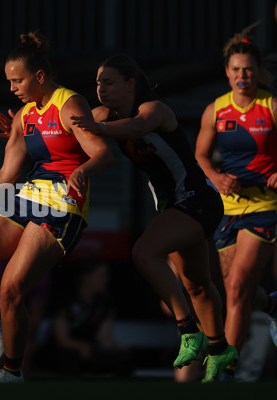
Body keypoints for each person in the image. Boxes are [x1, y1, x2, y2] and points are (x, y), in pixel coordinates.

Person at [0, 31, 114, 382]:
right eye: (9, 81)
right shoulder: (24, 116)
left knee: (11, 289)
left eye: (18, 80)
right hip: (27, 197)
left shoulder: (69, 104)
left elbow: (103, 154)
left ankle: (12, 372)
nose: (12, 87)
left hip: (62, 207)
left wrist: (82, 171)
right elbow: (4, 175)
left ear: (40, 76)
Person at [71, 53, 238, 382]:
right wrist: (23, 135)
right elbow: (68, 132)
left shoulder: (154, 109)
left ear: (130, 84)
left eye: (108, 82)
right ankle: (221, 353)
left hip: (197, 199)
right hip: (172, 208)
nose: (100, 89)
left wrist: (98, 127)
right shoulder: (103, 114)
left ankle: (188, 330)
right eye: (97, 83)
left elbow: (136, 127)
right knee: (198, 285)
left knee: (144, 253)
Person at [194, 24, 277, 381]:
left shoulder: (271, 106)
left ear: (258, 72)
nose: (242, 75)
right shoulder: (216, 110)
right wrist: (216, 177)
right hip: (228, 209)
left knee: (239, 285)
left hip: (265, 207)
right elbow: (199, 155)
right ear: (227, 73)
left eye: (248, 69)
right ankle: (272, 304)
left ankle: (224, 370)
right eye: (236, 70)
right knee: (233, 290)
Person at [31, 259, 133, 378]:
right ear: (86, 277)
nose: (106, 280)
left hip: (89, 351)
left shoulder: (105, 303)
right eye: (101, 276)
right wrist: (81, 346)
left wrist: (121, 349)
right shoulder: (65, 300)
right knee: (68, 358)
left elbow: (106, 339)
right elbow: (62, 340)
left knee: (122, 359)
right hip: (62, 352)